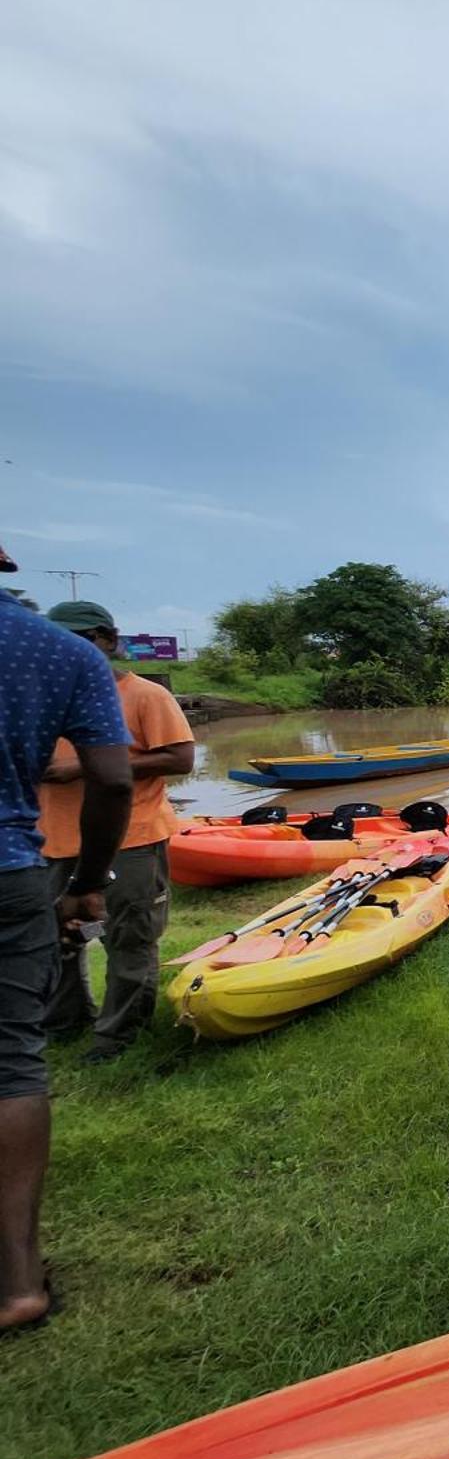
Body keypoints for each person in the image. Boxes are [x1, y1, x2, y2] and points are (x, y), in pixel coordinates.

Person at [0, 549, 132, 1333]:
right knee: (11, 1060)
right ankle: (17, 1278)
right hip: (13, 867)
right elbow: (112, 778)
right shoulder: (58, 651)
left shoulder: (104, 665)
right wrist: (88, 879)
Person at [39, 602, 194, 1063]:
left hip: (131, 838)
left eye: (82, 638)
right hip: (52, 839)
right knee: (55, 937)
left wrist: (78, 768)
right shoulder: (37, 698)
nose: (69, 648)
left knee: (128, 936)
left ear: (108, 640)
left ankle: (118, 1038)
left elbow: (180, 759)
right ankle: (64, 1022)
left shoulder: (144, 695)